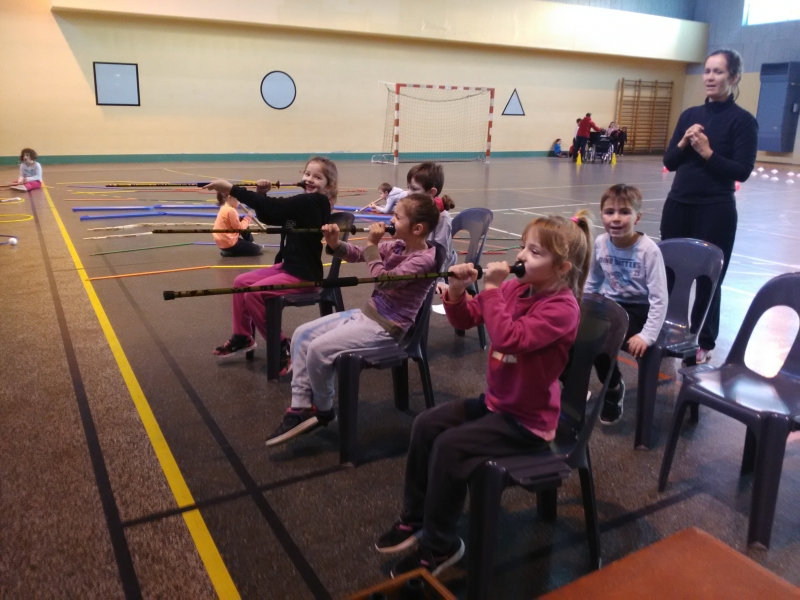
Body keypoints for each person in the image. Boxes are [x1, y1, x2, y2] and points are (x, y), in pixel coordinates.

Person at [375, 211, 593, 577]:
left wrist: (490, 289)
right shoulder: (516, 287)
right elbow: (464, 319)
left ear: (561, 268)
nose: (521, 256)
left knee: (450, 447)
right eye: (523, 247)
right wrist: (458, 291)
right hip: (498, 404)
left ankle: (441, 546)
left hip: (527, 422)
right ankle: (415, 517)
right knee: (427, 425)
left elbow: (508, 338)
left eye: (535, 252)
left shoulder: (562, 309)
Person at [265, 193, 440, 445]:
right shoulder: (398, 246)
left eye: (397, 217)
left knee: (318, 349)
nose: (390, 220)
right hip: (366, 315)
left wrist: (372, 244)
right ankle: (301, 405)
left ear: (417, 228)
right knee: (303, 335)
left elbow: (383, 281)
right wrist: (335, 243)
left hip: (388, 328)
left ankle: (323, 409)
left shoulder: (424, 260)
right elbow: (358, 254)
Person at [661, 48, 757, 364]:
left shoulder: (743, 121)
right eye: (707, 71)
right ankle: (667, 331)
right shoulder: (689, 115)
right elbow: (670, 161)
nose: (710, 77)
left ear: (734, 77)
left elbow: (741, 170)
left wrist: (707, 152)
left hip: (715, 209)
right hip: (678, 204)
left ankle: (702, 341)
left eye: (718, 71)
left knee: (708, 279)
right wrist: (683, 142)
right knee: (669, 272)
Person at [204, 156, 339, 376]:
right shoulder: (302, 206)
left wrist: (232, 189)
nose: (309, 179)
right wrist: (261, 195)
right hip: (289, 267)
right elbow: (271, 215)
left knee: (254, 293)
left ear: (329, 186)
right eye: (307, 174)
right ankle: (243, 337)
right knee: (241, 282)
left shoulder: (316, 202)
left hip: (305, 275)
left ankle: (282, 347)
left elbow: (276, 207)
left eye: (317, 177)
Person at [584, 184, 667, 423]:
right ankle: (598, 383)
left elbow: (659, 299)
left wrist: (647, 335)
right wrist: (582, 309)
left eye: (624, 212)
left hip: (640, 310)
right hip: (610, 305)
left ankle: (612, 391)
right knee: (578, 332)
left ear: (637, 217)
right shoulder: (601, 243)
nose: (616, 218)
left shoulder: (648, 251)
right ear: (602, 214)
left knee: (603, 336)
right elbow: (593, 281)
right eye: (609, 212)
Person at [404, 162, 456, 294]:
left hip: (439, 266)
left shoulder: (442, 218)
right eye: (408, 187)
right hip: (423, 257)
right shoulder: (416, 209)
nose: (408, 193)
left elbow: (442, 253)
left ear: (432, 192)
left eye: (414, 189)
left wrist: (440, 279)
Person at [212, 191, 263, 257]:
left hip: (222, 241)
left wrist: (245, 219)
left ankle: (249, 242)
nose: (239, 202)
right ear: (230, 197)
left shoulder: (223, 207)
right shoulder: (231, 211)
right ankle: (229, 252)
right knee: (256, 249)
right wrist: (248, 217)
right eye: (237, 199)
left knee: (241, 219)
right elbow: (239, 229)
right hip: (229, 242)